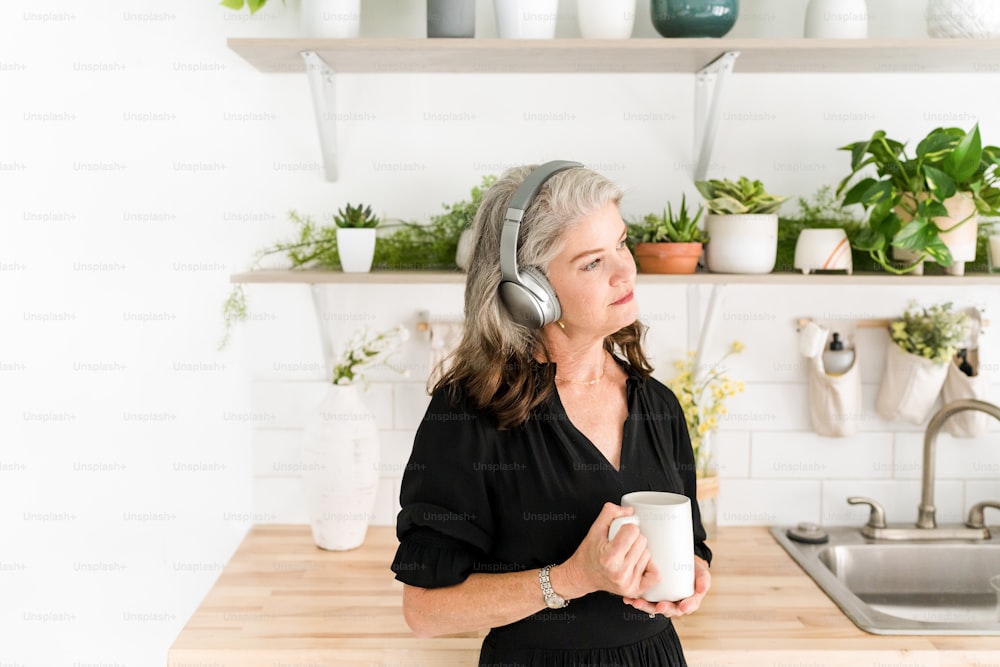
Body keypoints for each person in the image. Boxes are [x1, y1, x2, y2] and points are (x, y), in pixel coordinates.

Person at [390, 161, 712, 667]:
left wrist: (688, 573)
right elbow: (424, 611)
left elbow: (690, 541)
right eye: (591, 263)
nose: (625, 270)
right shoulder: (469, 413)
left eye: (622, 243)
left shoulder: (659, 406)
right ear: (530, 294)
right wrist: (570, 578)